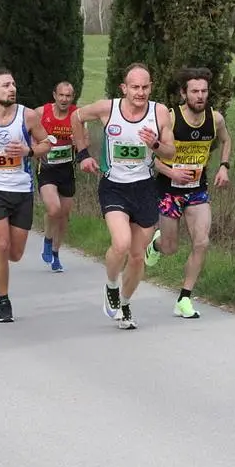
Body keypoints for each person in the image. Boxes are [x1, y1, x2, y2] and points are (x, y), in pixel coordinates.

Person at [70, 63, 176, 330]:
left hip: (145, 188)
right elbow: (76, 117)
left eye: (145, 87)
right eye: (135, 87)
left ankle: (126, 305)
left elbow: (170, 153)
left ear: (151, 87)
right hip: (114, 185)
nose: (140, 93)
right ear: (124, 88)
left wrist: (154, 144)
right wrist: (82, 154)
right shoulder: (108, 108)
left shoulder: (159, 112)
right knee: (121, 243)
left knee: (138, 256)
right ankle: (111, 285)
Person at [0, 66, 56, 323]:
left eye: (14, 84)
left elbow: (46, 144)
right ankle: (3, 301)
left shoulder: (27, 117)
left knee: (15, 253)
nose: (12, 89)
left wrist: (29, 151)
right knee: (1, 244)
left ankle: (1, 262)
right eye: (6, 85)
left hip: (22, 188)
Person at [144, 67, 232, 319]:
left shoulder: (215, 120)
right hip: (169, 190)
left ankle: (184, 298)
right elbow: (151, 156)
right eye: (194, 91)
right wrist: (171, 173)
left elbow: (226, 140)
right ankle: (157, 244)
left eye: (204, 91)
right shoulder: (170, 119)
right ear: (184, 93)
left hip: (197, 190)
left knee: (202, 241)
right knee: (171, 247)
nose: (200, 96)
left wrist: (224, 167)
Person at [34, 81, 79, 272]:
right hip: (47, 169)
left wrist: (81, 142)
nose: (64, 99)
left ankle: (55, 253)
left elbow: (83, 137)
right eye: (61, 95)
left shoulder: (76, 114)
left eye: (68, 96)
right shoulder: (41, 112)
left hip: (67, 169)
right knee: (54, 210)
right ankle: (47, 239)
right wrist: (35, 147)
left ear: (72, 97)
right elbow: (28, 131)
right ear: (54, 95)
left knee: (64, 216)